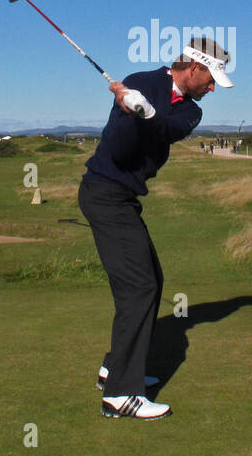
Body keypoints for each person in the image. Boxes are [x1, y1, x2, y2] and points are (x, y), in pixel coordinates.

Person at [80, 36, 232, 420]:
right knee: (140, 285)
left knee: (152, 280)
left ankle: (114, 367)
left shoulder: (192, 112)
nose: (213, 87)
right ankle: (121, 395)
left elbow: (167, 129)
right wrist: (131, 111)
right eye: (211, 78)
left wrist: (146, 114)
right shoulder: (141, 82)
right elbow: (116, 148)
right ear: (194, 68)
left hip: (123, 198)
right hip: (104, 192)